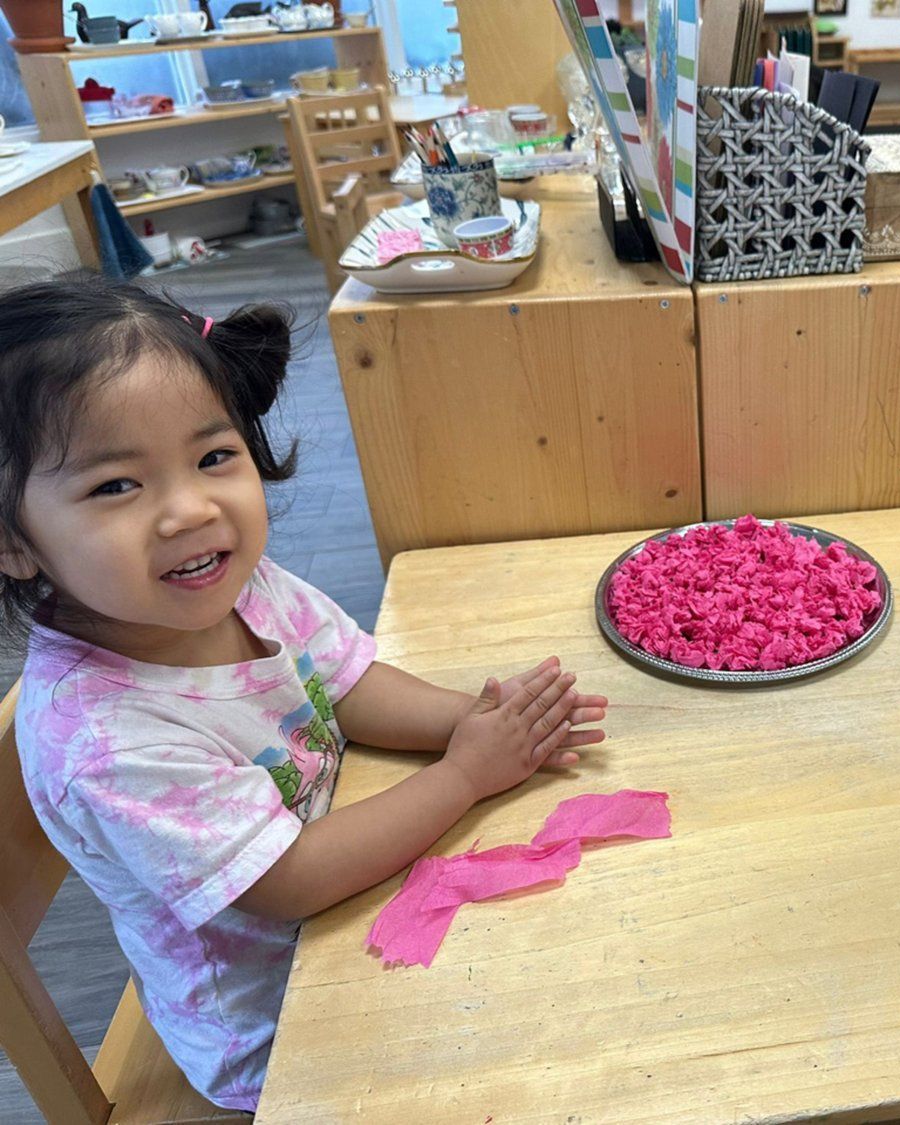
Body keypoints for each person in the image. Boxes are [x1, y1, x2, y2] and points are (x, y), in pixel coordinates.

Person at [0, 274, 609, 1111]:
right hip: (276, 1025)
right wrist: (467, 771)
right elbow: (287, 879)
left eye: (214, 457)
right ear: (13, 541)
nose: (190, 510)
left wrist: (473, 721)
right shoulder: (105, 738)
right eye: (115, 486)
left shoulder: (234, 586)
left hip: (351, 888)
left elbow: (348, 681)